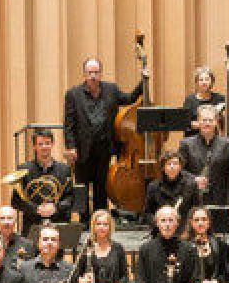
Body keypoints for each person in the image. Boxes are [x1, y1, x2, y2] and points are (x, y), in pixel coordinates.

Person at [63, 56, 147, 218]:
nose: (93, 76)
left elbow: (129, 99)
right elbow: (69, 123)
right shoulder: (73, 94)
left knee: (101, 188)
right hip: (82, 149)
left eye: (96, 72)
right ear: (84, 74)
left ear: (101, 73)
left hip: (104, 149)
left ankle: (101, 222)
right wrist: (70, 146)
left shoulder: (111, 89)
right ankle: (85, 223)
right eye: (89, 72)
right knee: (82, 187)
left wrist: (143, 82)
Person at [10, 128, 74, 236]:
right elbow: (16, 201)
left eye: (47, 143)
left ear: (52, 144)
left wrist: (55, 208)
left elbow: (70, 199)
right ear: (34, 146)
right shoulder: (24, 169)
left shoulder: (64, 169)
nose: (44, 147)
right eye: (40, 144)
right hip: (32, 225)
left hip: (57, 224)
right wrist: (36, 209)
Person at [179, 105, 229, 215]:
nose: (207, 123)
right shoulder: (186, 144)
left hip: (219, 200)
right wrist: (194, 179)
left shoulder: (227, 144)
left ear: (216, 122)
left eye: (210, 120)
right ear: (198, 122)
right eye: (204, 120)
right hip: (193, 199)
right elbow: (180, 172)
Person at [143, 149, 200, 228]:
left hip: (184, 231)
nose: (172, 166)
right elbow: (147, 213)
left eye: (175, 163)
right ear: (163, 167)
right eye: (169, 164)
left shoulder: (191, 185)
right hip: (161, 230)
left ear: (180, 167)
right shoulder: (153, 186)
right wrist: (159, 224)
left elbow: (197, 211)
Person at [181, 66, 229, 136]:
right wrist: (201, 125)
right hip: (194, 139)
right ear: (197, 83)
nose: (204, 82)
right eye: (201, 80)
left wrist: (221, 106)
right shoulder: (189, 100)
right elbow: (184, 123)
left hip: (215, 140)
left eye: (207, 79)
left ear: (212, 82)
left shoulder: (219, 98)